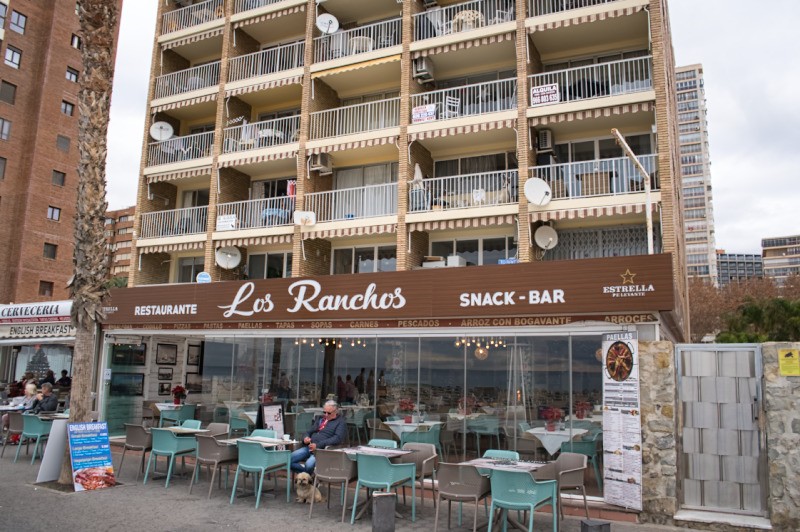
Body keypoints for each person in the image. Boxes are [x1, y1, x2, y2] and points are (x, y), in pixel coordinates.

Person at [290, 400, 346, 474]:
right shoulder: (320, 419)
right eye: (324, 412)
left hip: (322, 451)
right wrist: (305, 438)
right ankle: (307, 476)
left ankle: (306, 476)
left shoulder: (340, 422)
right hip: (309, 447)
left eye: (329, 413)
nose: (326, 415)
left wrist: (318, 445)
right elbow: (308, 432)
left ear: (336, 411)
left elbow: (337, 438)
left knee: (309, 465)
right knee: (287, 459)